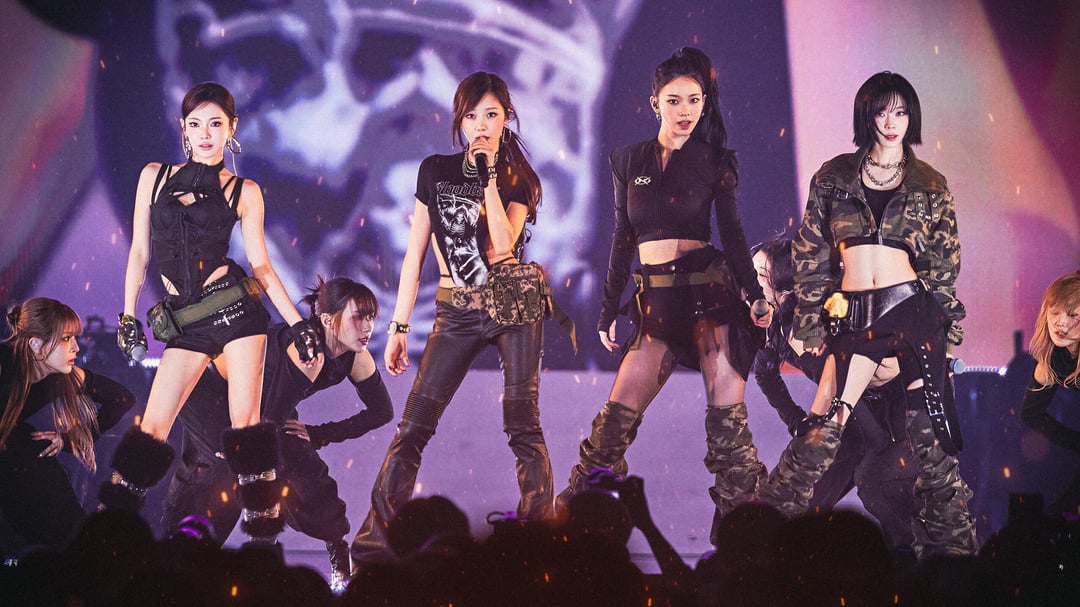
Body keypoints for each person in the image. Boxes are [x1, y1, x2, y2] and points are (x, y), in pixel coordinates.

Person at [757, 72, 978, 558]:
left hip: (912, 312)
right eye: (882, 111)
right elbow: (811, 252)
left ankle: (957, 560)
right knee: (821, 429)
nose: (892, 122)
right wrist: (810, 320)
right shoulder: (833, 176)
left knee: (932, 446)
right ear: (866, 115)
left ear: (912, 117)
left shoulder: (930, 183)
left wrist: (945, 334)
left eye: (901, 112)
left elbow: (943, 266)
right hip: (856, 315)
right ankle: (759, 544)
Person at [557, 47, 773, 523]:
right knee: (609, 432)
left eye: (694, 100)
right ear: (654, 102)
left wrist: (756, 296)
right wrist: (608, 310)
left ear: (705, 102)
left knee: (729, 439)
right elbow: (622, 238)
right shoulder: (626, 159)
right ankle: (570, 533)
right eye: (674, 101)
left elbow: (733, 234)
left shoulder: (716, 161)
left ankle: (747, 545)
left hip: (709, 302)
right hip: (655, 306)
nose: (685, 111)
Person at [350, 71, 553, 565]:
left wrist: (488, 180)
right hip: (456, 309)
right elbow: (414, 253)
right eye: (471, 116)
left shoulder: (520, 179)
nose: (481, 125)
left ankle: (539, 546)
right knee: (413, 427)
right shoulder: (435, 170)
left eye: (491, 115)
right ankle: (374, 550)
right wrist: (399, 326)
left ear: (507, 119)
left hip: (510, 308)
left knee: (522, 426)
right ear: (459, 121)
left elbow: (501, 248)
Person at [106, 82, 320, 548]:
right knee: (152, 429)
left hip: (237, 314)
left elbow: (262, 267)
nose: (205, 134)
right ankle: (109, 538)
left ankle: (263, 545)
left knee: (246, 430)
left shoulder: (245, 191)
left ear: (231, 128)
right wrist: (127, 315)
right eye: (196, 124)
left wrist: (299, 323)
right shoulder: (153, 176)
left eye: (216, 124)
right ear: (183, 128)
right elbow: (140, 252)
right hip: (187, 324)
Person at [160, 276, 394, 589]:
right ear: (328, 320)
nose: (367, 328)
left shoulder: (356, 357)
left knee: (305, 468)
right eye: (358, 317)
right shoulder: (306, 351)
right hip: (211, 391)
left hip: (264, 405)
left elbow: (382, 412)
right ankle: (185, 558)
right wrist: (246, 454)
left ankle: (336, 548)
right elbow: (266, 424)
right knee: (226, 469)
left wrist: (317, 434)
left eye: (371, 317)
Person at [750, 236, 919, 553]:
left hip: (891, 417)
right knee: (793, 504)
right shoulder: (773, 326)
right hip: (847, 426)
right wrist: (796, 421)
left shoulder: (826, 311)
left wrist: (816, 435)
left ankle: (916, 563)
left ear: (784, 280)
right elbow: (765, 373)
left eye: (760, 274)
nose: (753, 281)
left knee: (877, 485)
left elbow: (845, 378)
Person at [1, 298, 134, 554]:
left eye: (74, 338)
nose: (76, 347)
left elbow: (122, 398)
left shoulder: (61, 378)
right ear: (36, 344)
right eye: (65, 338)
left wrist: (71, 439)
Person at [1020, 270, 1080, 517]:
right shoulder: (1051, 362)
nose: (1060, 322)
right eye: (1054, 312)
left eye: (1073, 315)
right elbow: (1030, 415)